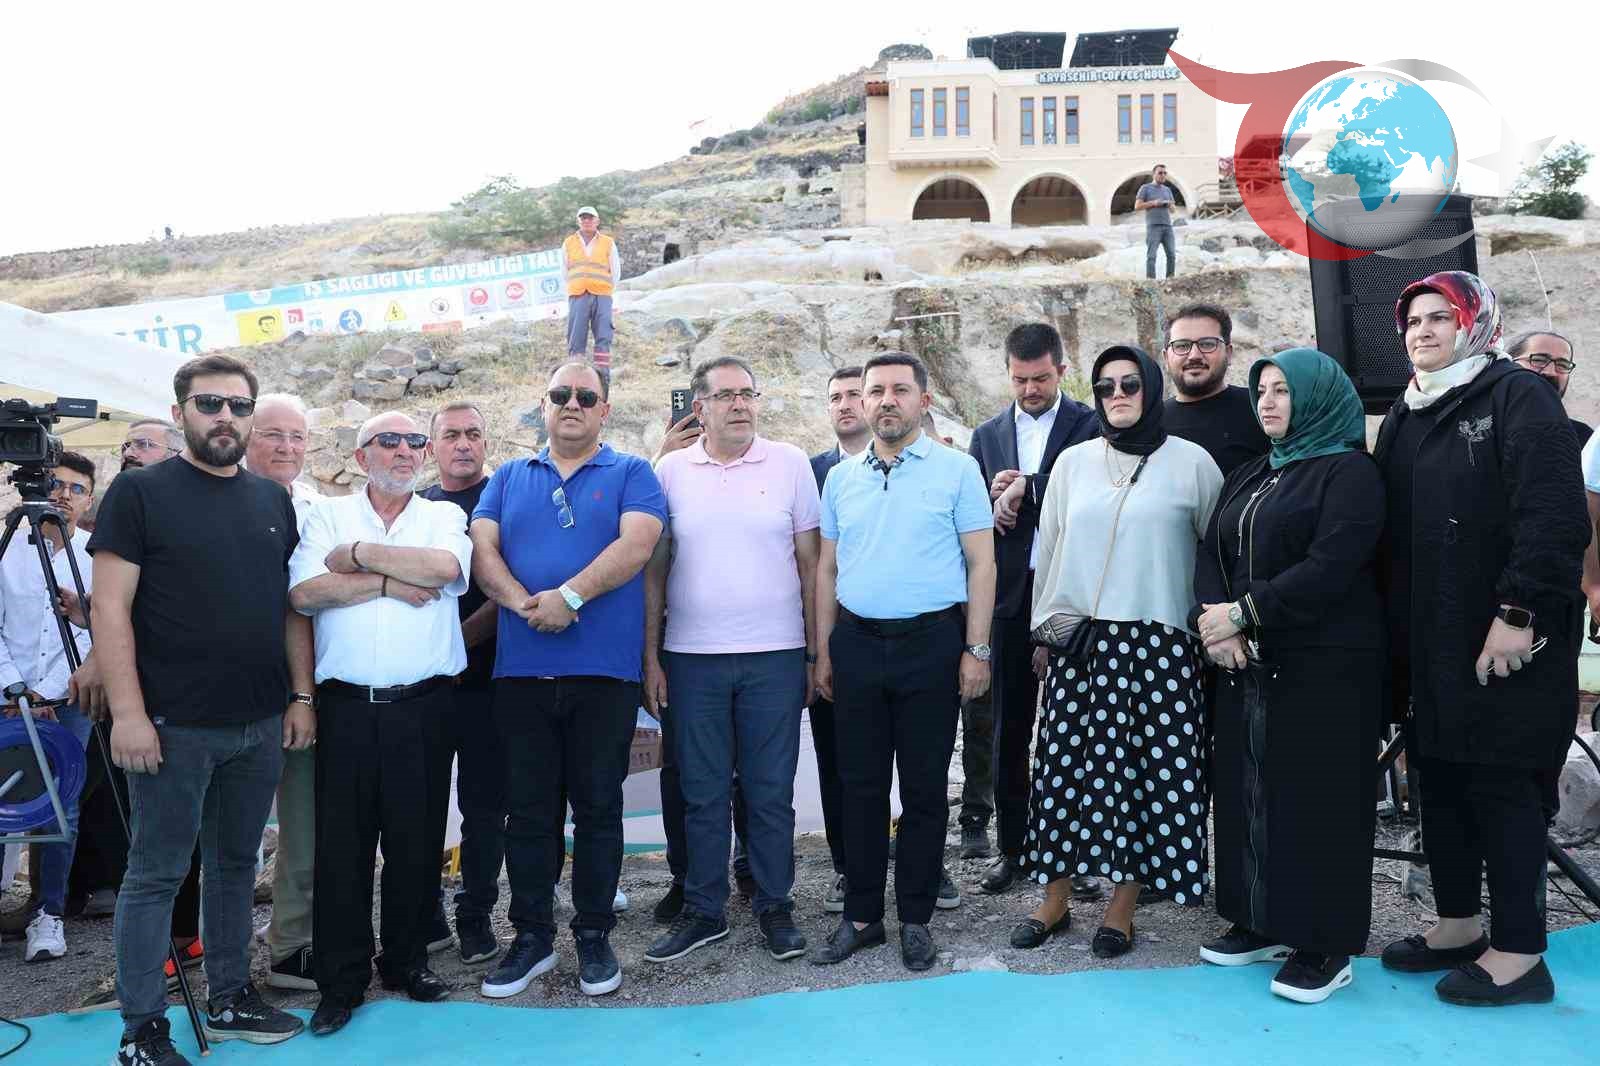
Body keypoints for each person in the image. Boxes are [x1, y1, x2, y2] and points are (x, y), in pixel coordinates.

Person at [1374, 271, 1588, 1007]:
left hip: (1506, 637)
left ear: (1475, 323)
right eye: (1413, 321)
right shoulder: (1408, 411)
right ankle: (1459, 924)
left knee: (1504, 787)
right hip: (1431, 643)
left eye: (1441, 317)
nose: (1424, 331)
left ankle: (1521, 953)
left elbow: (1555, 514)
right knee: (1442, 783)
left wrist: (1518, 611)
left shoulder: (1516, 395)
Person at [91, 354, 309, 1064]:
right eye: (209, 404)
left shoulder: (272, 500)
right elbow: (109, 609)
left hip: (257, 724)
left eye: (239, 406)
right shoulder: (138, 493)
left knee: (235, 866)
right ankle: (141, 1030)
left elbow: (284, 609)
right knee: (156, 874)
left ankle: (230, 996)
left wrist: (295, 698)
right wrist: (128, 713)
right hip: (170, 727)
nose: (225, 417)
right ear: (180, 410)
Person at [1013, 345, 1221, 958]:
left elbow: (1215, 555)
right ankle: (1053, 900)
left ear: (1151, 389)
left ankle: (1122, 907)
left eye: (1130, 383)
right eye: (1105, 387)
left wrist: (1211, 630)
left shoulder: (1192, 463)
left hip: (1159, 646)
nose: (1118, 395)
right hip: (1080, 642)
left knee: (1142, 779)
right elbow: (1050, 551)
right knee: (1062, 773)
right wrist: (1043, 633)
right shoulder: (1073, 463)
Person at [1192, 348, 1385, 1003]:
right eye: (1262, 391)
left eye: (1283, 390)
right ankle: (1259, 918)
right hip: (1245, 664)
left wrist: (1244, 613)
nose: (1268, 402)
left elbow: (1331, 566)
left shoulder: (1350, 473)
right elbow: (1210, 552)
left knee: (1319, 803)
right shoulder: (1254, 470)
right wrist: (1216, 624)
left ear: (1317, 397)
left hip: (1326, 668)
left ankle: (1325, 945)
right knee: (1248, 790)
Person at [470, 362, 665, 999]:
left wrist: (570, 597)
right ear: (544, 405)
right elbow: (482, 549)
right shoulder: (507, 476)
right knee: (527, 813)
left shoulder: (632, 472)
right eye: (561, 394)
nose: (572, 403)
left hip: (603, 676)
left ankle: (594, 935)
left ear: (604, 409)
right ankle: (532, 938)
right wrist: (526, 605)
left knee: (599, 808)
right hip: (521, 675)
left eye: (586, 396)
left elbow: (638, 545)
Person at [808, 353, 995, 972]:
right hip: (857, 645)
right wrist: (824, 651)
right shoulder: (841, 479)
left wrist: (976, 648)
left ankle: (915, 917)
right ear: (862, 401)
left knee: (924, 789)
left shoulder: (958, 470)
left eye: (899, 390)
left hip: (932, 646)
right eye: (875, 391)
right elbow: (827, 569)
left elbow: (982, 564)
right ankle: (862, 917)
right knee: (859, 787)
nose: (886, 400)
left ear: (923, 400)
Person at [289, 412, 471, 1036]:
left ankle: (406, 962)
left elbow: (444, 570)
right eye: (387, 442)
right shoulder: (326, 515)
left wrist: (358, 558)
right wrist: (389, 581)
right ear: (361, 456)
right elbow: (306, 593)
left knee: (417, 843)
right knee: (342, 849)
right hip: (346, 707)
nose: (403, 451)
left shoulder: (442, 514)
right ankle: (340, 982)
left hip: (425, 706)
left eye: (414, 442)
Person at [642, 356, 819, 963]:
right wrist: (651, 658)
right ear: (700, 408)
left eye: (748, 394)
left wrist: (815, 653)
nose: (740, 405)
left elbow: (811, 566)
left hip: (775, 656)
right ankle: (704, 909)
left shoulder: (791, 463)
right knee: (702, 792)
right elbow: (654, 572)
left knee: (769, 791)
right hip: (693, 659)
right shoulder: (670, 470)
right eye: (726, 396)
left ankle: (774, 905)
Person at [971, 323, 1099, 897]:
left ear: (1062, 371)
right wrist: (992, 503)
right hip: (1007, 599)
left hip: (1074, 593)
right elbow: (970, 515)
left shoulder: (1091, 424)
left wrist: (1030, 485)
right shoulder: (986, 435)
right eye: (1020, 379)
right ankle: (1014, 848)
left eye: (1041, 378)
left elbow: (1098, 489)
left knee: (1079, 729)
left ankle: (1079, 853)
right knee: (1009, 730)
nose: (1030, 389)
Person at [417, 401, 507, 966]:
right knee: (419, 804)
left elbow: (509, 590)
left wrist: (456, 646)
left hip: (489, 681)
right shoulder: (416, 507)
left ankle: (476, 914)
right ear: (432, 447)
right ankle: (423, 914)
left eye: (474, 433)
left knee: (485, 808)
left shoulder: (505, 499)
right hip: (424, 685)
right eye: (451, 435)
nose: (464, 444)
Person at [0, 453, 96, 962]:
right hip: (6, 696)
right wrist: (16, 691)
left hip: (68, 700)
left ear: (89, 499)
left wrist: (50, 694)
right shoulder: (7, 552)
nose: (63, 495)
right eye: (55, 483)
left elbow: (99, 633)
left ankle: (48, 912)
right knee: (3, 800)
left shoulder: (97, 558)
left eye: (77, 488)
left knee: (61, 805)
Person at [243, 393, 323, 993]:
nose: (286, 447)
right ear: (247, 437)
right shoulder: (210, 501)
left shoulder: (321, 510)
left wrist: (304, 695)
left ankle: (291, 945)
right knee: (228, 836)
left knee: (304, 827)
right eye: (273, 434)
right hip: (226, 694)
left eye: (297, 436)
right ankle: (218, 956)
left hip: (302, 692)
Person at [806, 366, 870, 911]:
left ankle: (926, 867)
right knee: (835, 760)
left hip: (901, 633)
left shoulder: (922, 464)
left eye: (854, 394)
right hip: (834, 634)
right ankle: (846, 865)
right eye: (835, 397)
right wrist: (816, 646)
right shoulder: (810, 473)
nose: (845, 404)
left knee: (910, 760)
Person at [1162, 303, 1271, 477]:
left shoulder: (1262, 409)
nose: (1194, 355)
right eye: (1182, 346)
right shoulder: (1152, 424)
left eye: (1207, 344)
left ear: (1228, 353)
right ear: (1166, 358)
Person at [562, 207, 621, 367]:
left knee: (603, 336)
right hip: (578, 295)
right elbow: (564, 271)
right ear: (578, 221)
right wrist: (576, 286)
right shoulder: (568, 243)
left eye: (590, 218)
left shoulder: (608, 242)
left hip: (602, 296)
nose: (587, 221)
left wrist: (606, 291)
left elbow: (615, 272)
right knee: (576, 337)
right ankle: (575, 373)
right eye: (583, 218)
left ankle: (603, 375)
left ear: (597, 221)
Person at [1508, 330, 1588, 446]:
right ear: (1508, 365)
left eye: (1562, 365)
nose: (1551, 372)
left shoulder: (1584, 439)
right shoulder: (1483, 430)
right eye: (1538, 360)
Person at [1136, 164, 1177, 280]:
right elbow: (1137, 206)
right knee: (1152, 256)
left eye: (1165, 173)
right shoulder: (1145, 188)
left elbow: (1173, 210)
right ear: (1153, 174)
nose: (1163, 175)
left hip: (1168, 227)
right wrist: (1154, 203)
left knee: (1172, 255)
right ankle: (1151, 281)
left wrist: (1169, 204)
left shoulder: (1167, 190)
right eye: (1160, 173)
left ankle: (1170, 280)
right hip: (1153, 227)